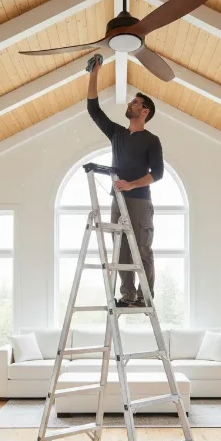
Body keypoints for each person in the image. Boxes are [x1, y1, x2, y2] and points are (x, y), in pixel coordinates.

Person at [86, 55, 164, 307]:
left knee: (142, 250)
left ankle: (145, 297)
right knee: (120, 250)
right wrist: (94, 74)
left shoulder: (152, 139)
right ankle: (127, 295)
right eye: (131, 101)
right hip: (117, 200)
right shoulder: (118, 134)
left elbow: (158, 173)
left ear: (145, 111)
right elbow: (93, 110)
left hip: (139, 201)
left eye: (135, 102)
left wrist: (131, 184)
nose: (130, 103)